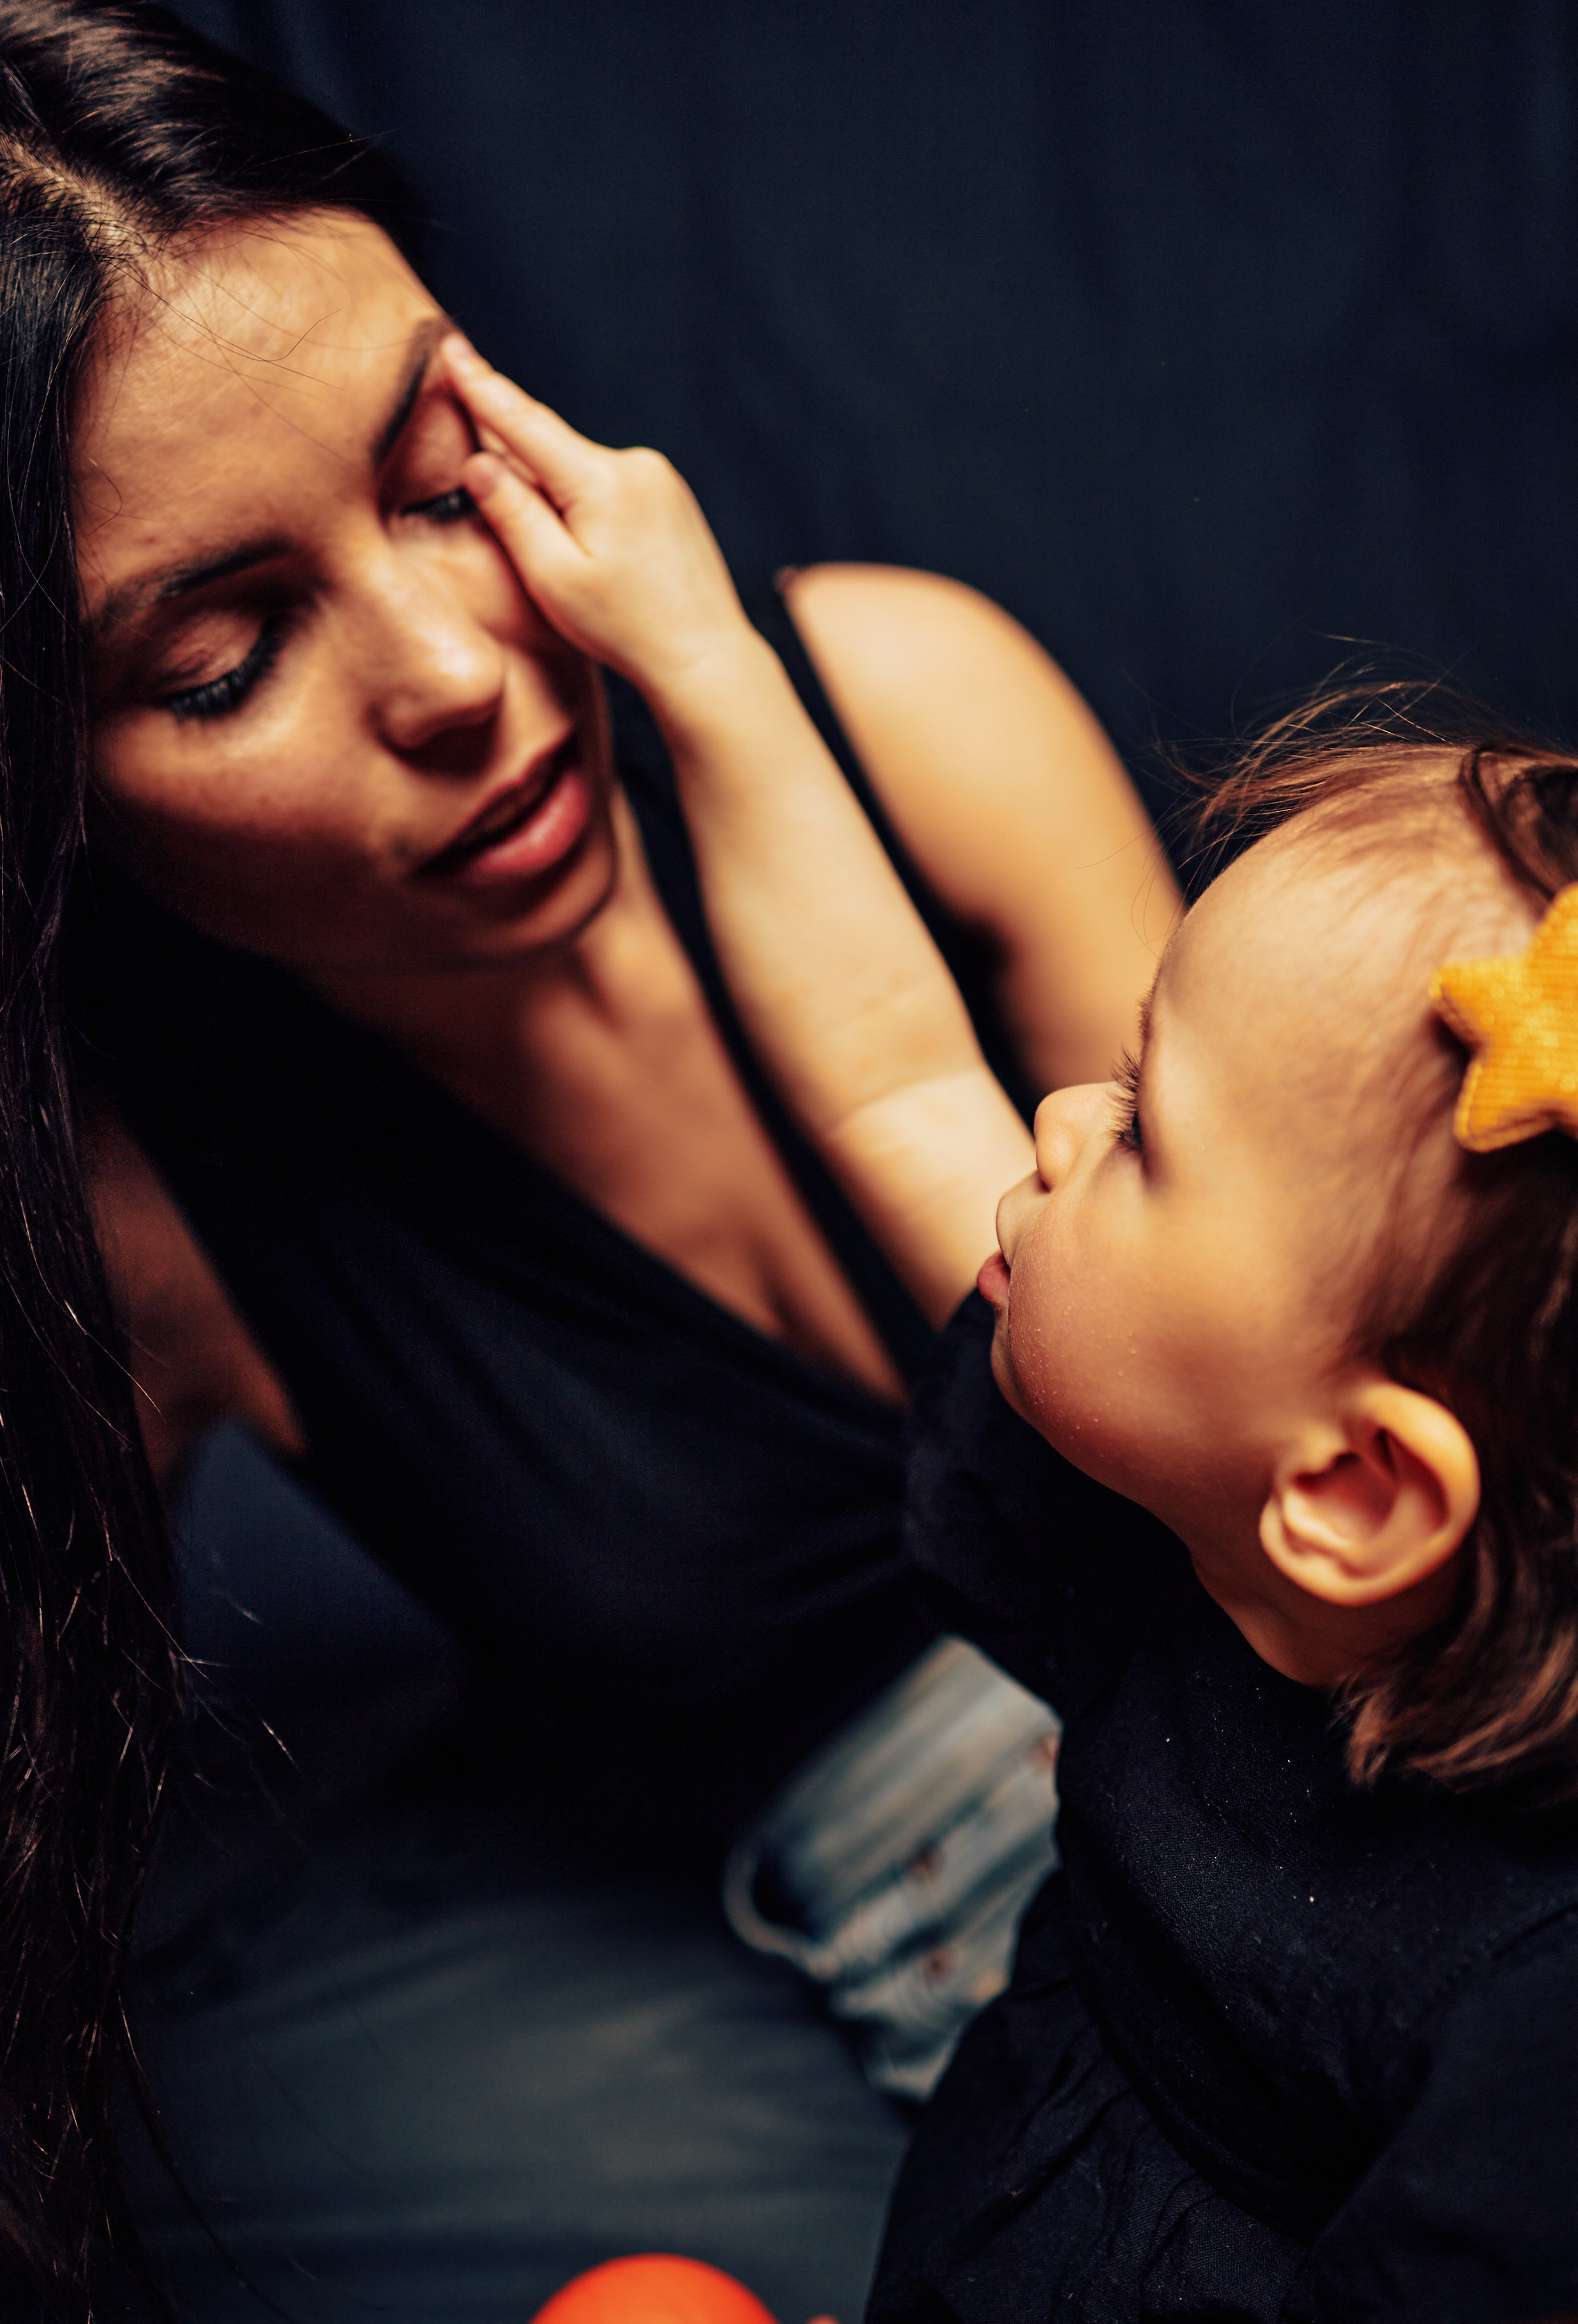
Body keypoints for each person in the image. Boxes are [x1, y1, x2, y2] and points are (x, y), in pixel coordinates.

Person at [0, 0, 1177, 2320]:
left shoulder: (908, 706)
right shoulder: (137, 1221)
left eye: (446, 477)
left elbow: (1333, 1354)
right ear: (27, 781)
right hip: (1017, 2028)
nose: (459, 672)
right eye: (222, 664)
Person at [453, 365, 1578, 2320]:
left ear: (1352, 1487)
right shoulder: (1181, 1552)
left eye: (1141, 1130)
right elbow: (894, 1074)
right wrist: (705, 668)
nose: (1054, 1116)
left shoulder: (1526, 2042)